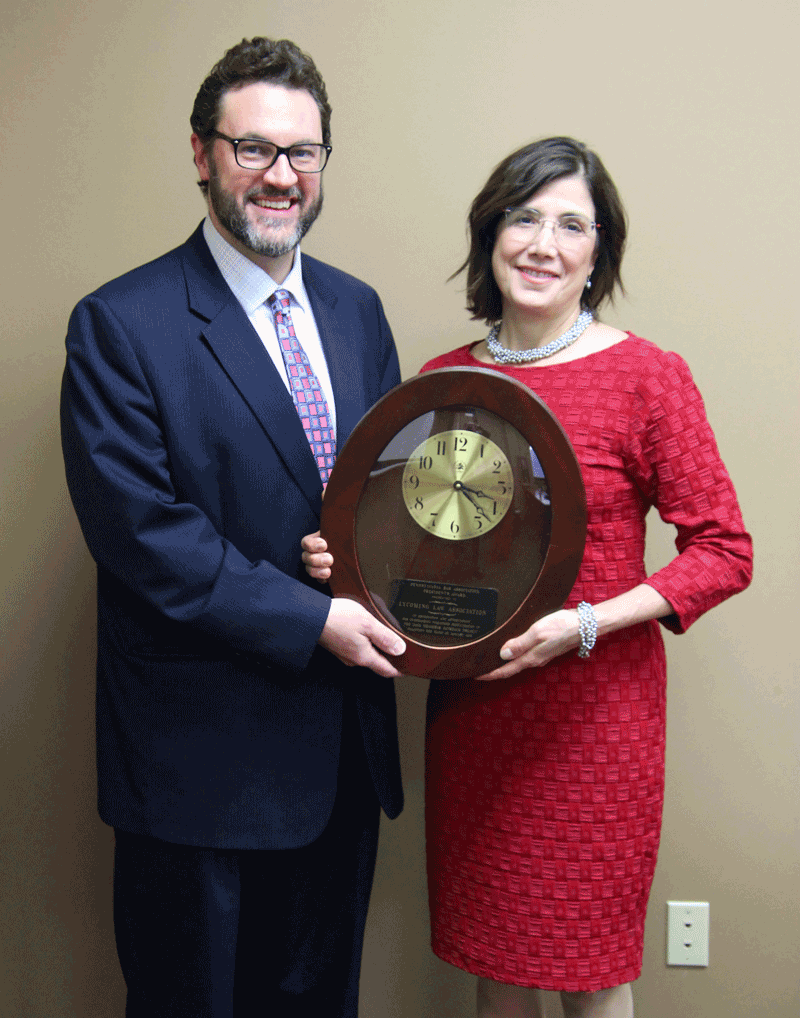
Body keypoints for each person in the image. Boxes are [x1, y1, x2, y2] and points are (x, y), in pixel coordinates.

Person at [303, 137, 753, 1017]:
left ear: (597, 254)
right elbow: (421, 541)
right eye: (523, 217)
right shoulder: (442, 383)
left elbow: (723, 551)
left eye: (571, 224)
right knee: (493, 963)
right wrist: (344, 561)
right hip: (475, 718)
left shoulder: (646, 379)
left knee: (590, 974)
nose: (543, 242)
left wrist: (584, 624)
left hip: (595, 729)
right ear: (491, 236)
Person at [60, 36, 407, 1018]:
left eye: (301, 152)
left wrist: (363, 556)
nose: (279, 176)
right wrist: (311, 616)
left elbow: (375, 495)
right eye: (251, 148)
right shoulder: (120, 324)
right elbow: (143, 535)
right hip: (197, 770)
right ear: (201, 153)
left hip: (339, 757)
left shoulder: (355, 310)